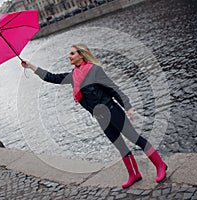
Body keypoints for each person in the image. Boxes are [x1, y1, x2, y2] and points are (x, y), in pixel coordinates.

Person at [21, 44, 167, 188]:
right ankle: (134, 174)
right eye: (69, 53)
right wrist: (30, 66)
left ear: (81, 55)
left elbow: (113, 88)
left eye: (72, 53)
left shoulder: (94, 70)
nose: (69, 56)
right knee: (120, 146)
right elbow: (51, 77)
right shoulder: (73, 76)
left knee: (135, 138)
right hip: (101, 118)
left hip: (112, 110)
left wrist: (127, 106)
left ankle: (160, 165)